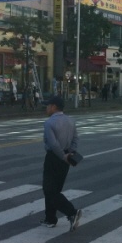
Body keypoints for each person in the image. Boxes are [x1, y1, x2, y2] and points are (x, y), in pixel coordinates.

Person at [40, 96, 82, 231]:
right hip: (66, 157)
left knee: (49, 190)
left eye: (47, 106)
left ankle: (71, 212)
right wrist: (69, 153)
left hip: (54, 158)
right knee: (54, 189)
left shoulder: (49, 123)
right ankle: (50, 218)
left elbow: (53, 144)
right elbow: (75, 139)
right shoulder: (71, 120)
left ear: (53, 107)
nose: (46, 108)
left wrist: (63, 156)